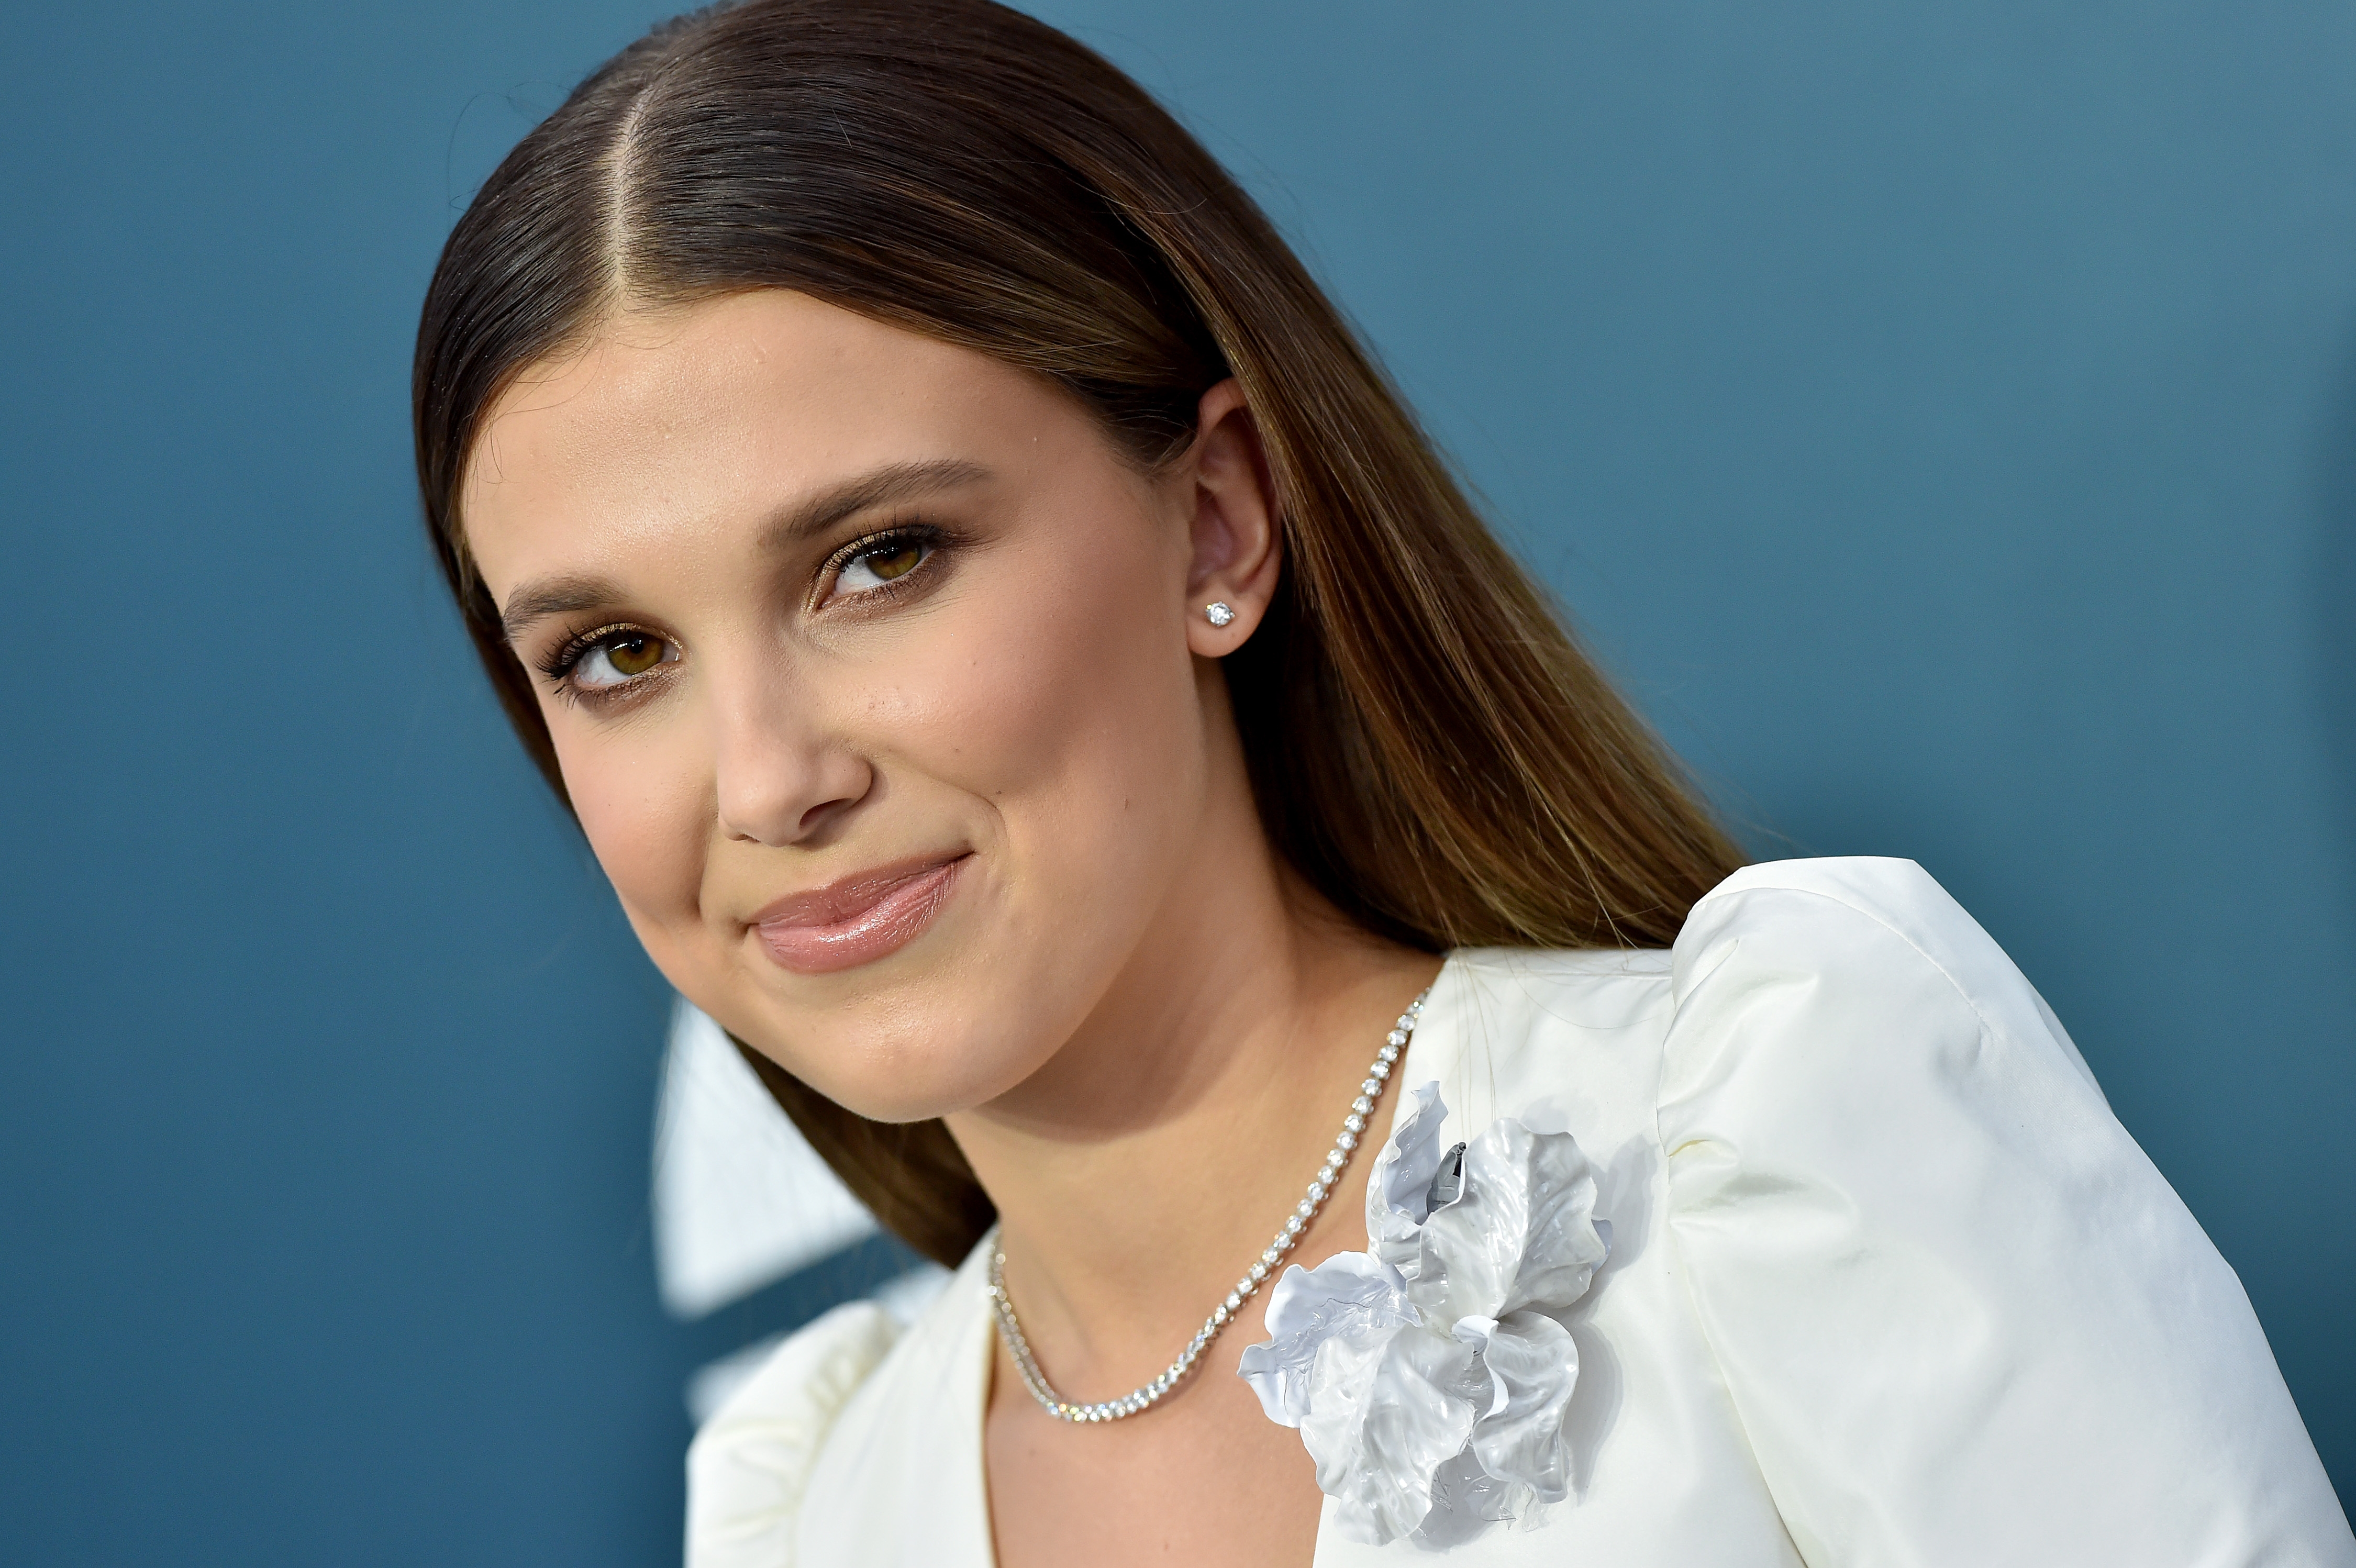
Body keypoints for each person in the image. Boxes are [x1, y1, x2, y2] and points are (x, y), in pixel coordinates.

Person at [411, 1, 2354, 1562]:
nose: (768, 775)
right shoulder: (807, 1499)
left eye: (879, 558)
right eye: (614, 655)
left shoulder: (1763, 1122)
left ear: (1218, 518)